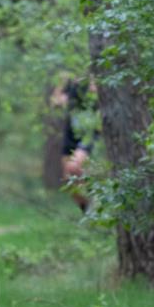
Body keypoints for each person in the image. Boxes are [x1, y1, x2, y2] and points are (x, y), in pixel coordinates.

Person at [56, 77, 98, 212]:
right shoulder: (70, 80)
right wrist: (62, 85)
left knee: (73, 167)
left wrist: (92, 85)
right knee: (68, 180)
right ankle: (86, 210)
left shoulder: (95, 80)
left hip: (89, 134)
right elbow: (56, 102)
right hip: (71, 136)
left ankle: (95, 202)